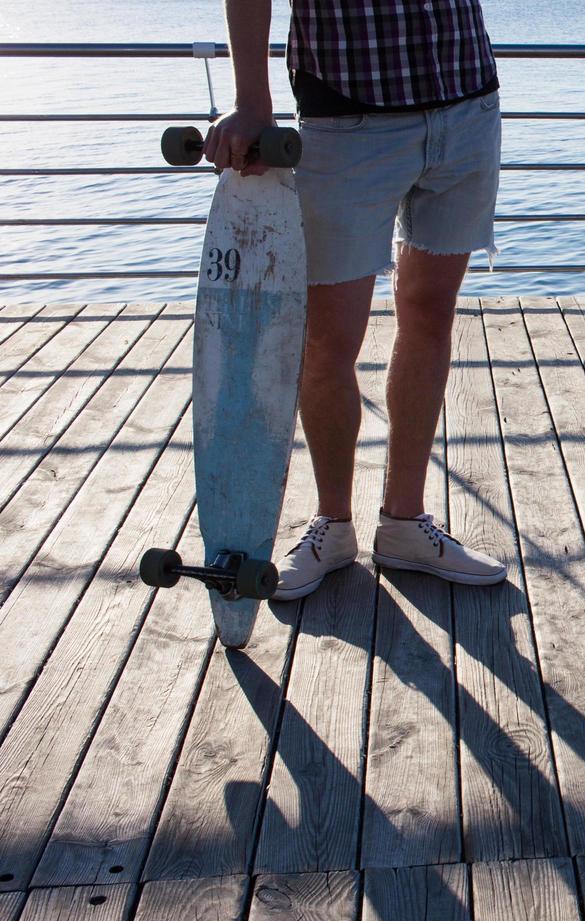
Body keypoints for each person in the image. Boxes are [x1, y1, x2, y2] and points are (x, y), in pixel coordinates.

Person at [205, 0, 508, 599]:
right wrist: (254, 103)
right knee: (327, 339)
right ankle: (333, 526)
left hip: (467, 101)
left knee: (429, 315)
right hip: (347, 118)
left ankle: (404, 523)